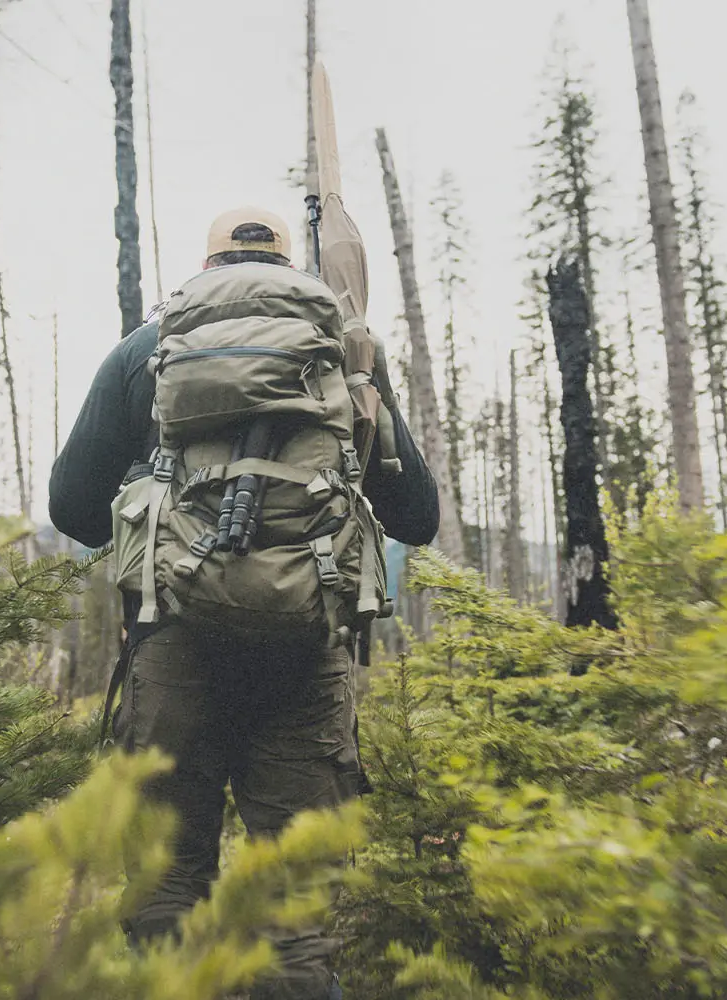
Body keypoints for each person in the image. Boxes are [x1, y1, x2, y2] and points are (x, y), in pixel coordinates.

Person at [49, 207, 439, 999]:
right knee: (293, 907)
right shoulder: (343, 353)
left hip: (173, 649)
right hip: (305, 655)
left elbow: (71, 510)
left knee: (165, 887)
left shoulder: (147, 351)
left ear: (208, 262)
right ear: (292, 266)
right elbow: (419, 519)